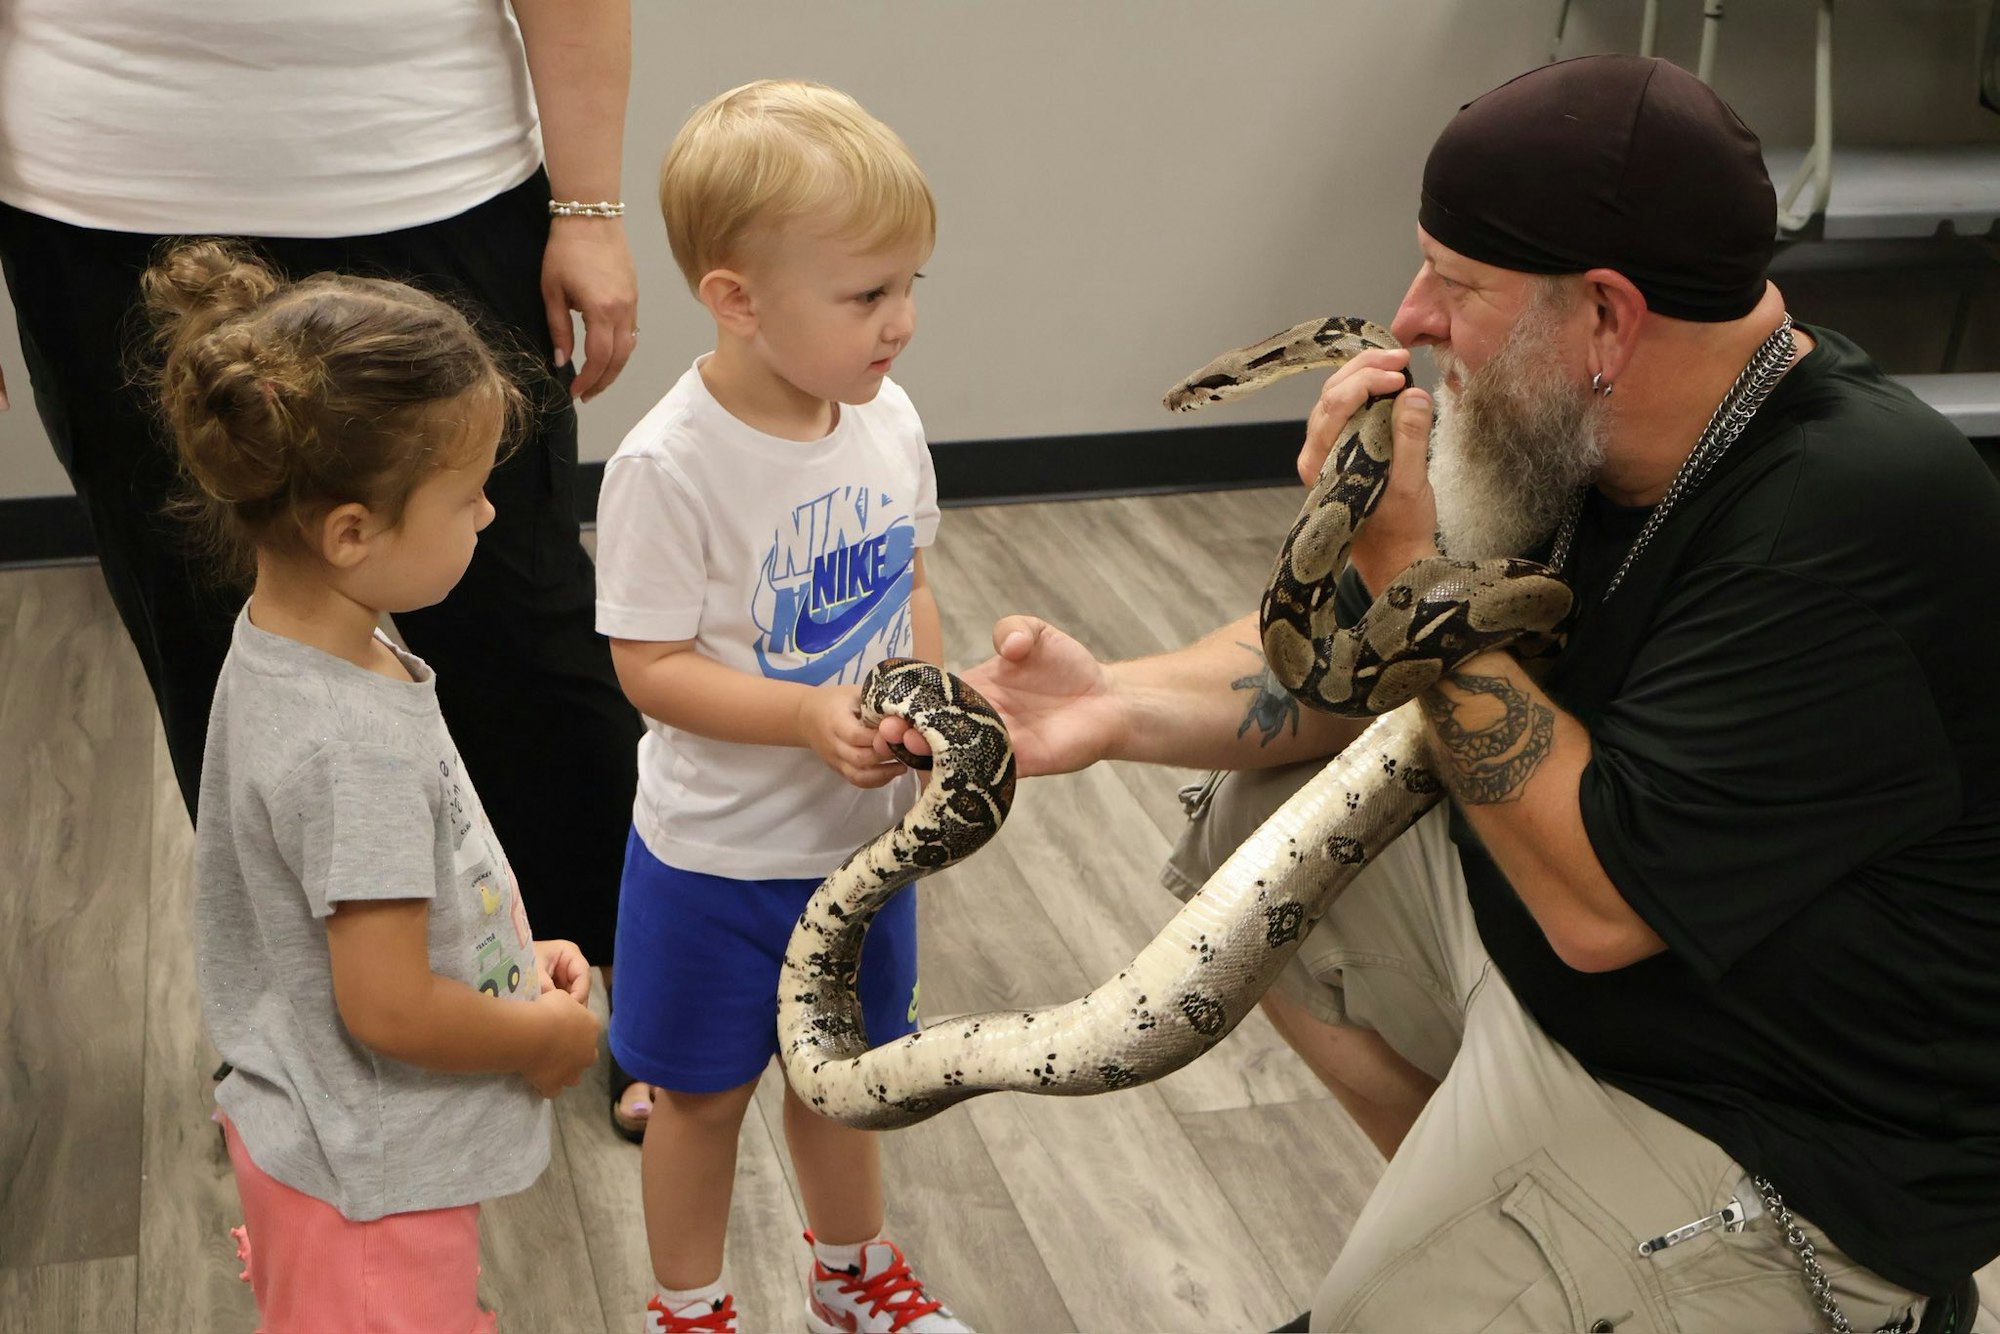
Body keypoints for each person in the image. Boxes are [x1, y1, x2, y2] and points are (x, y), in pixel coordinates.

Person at [885, 54, 2000, 1333]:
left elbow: (1596, 906)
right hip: (1606, 996)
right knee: (1262, 816)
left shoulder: (1848, 516)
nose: (1406, 316)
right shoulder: (1588, 425)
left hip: (1792, 1130)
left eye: (1455, 285)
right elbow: (1355, 671)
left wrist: (1409, 569)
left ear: (1606, 317)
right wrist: (1107, 703)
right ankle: (1507, 1218)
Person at [0, 0, 656, 1137]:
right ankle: (297, 1037)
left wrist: (588, 202)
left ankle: (633, 991)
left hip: (425, 177)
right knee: (217, 646)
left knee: (518, 622)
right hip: (105, 205)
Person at [149, 240, 603, 1333]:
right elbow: (388, 1003)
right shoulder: (346, 738)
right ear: (351, 531)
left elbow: (379, 905)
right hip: (363, 1180)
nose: (489, 515)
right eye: (466, 496)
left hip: (328, 1145)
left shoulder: (303, 641)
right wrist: (544, 1038)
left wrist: (498, 964)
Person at [592, 80, 968, 1334]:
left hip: (860, 852)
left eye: (909, 284)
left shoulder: (887, 419)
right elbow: (648, 668)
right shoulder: (668, 464)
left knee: (842, 1082)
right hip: (715, 861)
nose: (901, 322)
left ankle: (851, 1275)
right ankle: (688, 1307)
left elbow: (909, 583)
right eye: (867, 295)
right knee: (700, 1097)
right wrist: (805, 717)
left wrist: (921, 705)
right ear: (736, 299)